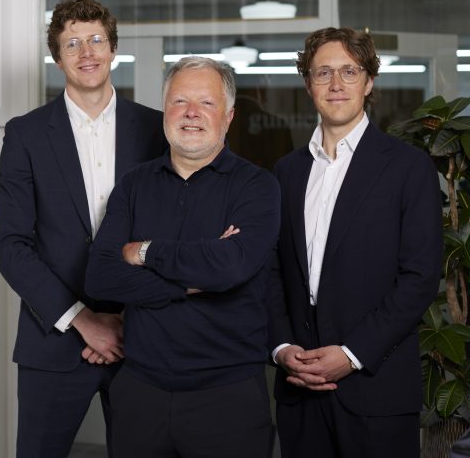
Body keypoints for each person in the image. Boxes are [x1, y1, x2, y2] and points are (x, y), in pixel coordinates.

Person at [0, 0, 166, 458]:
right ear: (57, 57)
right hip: (54, 338)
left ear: (113, 50)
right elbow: (9, 244)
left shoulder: (156, 129)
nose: (86, 52)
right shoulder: (25, 135)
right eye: (72, 43)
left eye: (96, 40)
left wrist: (127, 319)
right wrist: (84, 321)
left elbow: (171, 231)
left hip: (141, 336)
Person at [85, 56, 280, 457]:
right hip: (140, 392)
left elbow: (230, 267)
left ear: (228, 116)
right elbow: (100, 276)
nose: (191, 113)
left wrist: (144, 251)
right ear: (165, 111)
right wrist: (192, 281)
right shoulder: (134, 184)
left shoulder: (257, 187)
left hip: (228, 397)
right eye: (179, 101)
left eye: (206, 103)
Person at [268, 27, 443, 457]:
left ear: (369, 82)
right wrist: (282, 347)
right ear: (308, 84)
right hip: (299, 391)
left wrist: (352, 354)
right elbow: (272, 272)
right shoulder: (286, 172)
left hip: (375, 392)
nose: (336, 83)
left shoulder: (408, 168)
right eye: (323, 72)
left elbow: (420, 278)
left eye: (350, 71)